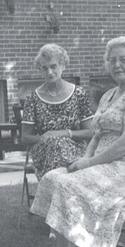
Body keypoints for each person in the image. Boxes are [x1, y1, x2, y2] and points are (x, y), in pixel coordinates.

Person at [30, 36, 125, 247]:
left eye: (124, 59)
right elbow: (97, 135)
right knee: (53, 178)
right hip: (106, 162)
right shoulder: (111, 94)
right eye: (112, 60)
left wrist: (88, 165)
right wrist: (85, 159)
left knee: (72, 184)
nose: (117, 65)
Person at [20, 44, 93, 180]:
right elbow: (25, 137)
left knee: (59, 149)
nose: (49, 72)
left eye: (53, 66)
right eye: (44, 68)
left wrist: (63, 134)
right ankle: (66, 187)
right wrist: (44, 138)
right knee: (56, 146)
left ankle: (57, 190)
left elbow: (90, 132)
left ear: (63, 65)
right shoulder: (33, 98)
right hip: (45, 151)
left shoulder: (79, 94)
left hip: (76, 149)